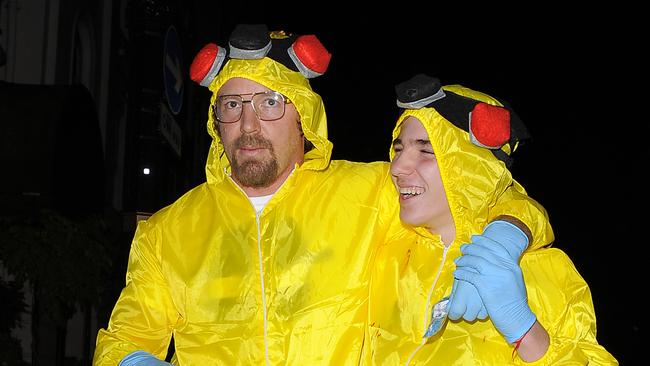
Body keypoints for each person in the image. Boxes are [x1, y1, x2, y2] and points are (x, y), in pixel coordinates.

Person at [92, 25, 554, 365]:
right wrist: (132, 361)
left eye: (270, 102)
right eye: (232, 105)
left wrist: (504, 237)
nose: (248, 126)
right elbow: (125, 338)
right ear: (216, 121)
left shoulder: (370, 192)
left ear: (303, 115)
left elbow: (480, 190)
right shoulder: (166, 232)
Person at [364, 74, 618, 364]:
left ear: (471, 168)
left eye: (426, 150)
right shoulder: (383, 245)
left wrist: (524, 329)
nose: (397, 166)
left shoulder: (533, 269)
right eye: (398, 149)